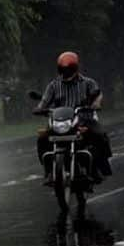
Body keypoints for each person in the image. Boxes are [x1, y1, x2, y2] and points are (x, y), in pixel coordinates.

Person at [35, 52, 112, 183]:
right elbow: (44, 101)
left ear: (75, 68)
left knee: (100, 136)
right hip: (60, 122)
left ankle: (99, 167)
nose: (66, 72)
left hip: (84, 119)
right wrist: (39, 108)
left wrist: (95, 103)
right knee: (42, 139)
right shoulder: (54, 85)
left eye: (68, 70)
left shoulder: (88, 83)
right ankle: (48, 171)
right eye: (63, 70)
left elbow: (97, 94)